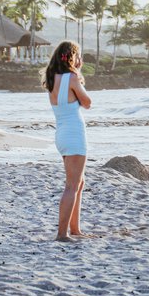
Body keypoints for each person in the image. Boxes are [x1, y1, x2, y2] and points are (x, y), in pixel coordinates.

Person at [43, 40, 92, 241]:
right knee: (72, 185)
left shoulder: (52, 79)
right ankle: (62, 234)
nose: (80, 60)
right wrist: (79, 74)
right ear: (72, 57)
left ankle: (75, 229)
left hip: (62, 134)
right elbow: (87, 103)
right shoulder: (72, 78)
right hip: (74, 133)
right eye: (78, 56)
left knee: (78, 183)